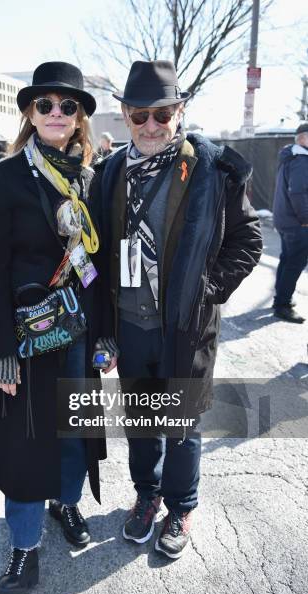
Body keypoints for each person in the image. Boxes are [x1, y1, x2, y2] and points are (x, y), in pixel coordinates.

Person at [91, 60, 263, 560]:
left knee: (182, 424)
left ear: (179, 110)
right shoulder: (109, 173)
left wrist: (208, 289)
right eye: (140, 114)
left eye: (162, 114)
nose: (151, 126)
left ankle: (181, 505)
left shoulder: (211, 167)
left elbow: (247, 239)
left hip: (185, 327)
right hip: (130, 323)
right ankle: (147, 494)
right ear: (124, 114)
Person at [0, 61, 113, 594]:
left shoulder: (95, 177)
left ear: (79, 119)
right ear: (30, 112)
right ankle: (24, 547)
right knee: (27, 443)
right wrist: (2, 347)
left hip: (79, 331)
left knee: (72, 434)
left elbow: (103, 268)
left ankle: (64, 502)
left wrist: (105, 334)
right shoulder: (7, 176)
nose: (55, 112)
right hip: (25, 336)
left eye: (67, 105)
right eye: (44, 104)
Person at [272, 123, 308, 323]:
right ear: (303, 138)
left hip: (285, 219)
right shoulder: (301, 160)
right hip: (297, 222)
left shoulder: (290, 157)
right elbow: (298, 193)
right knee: (295, 263)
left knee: (287, 259)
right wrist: (306, 219)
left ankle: (281, 297)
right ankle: (282, 305)